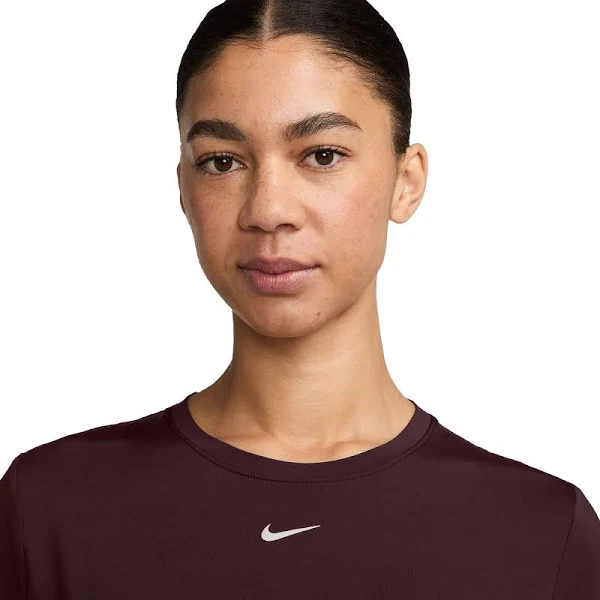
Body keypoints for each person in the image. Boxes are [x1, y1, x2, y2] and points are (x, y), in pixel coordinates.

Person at [1, 0, 599, 597]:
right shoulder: (50, 511)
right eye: (222, 162)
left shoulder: (543, 535)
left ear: (406, 181)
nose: (268, 210)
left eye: (322, 155)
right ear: (183, 189)